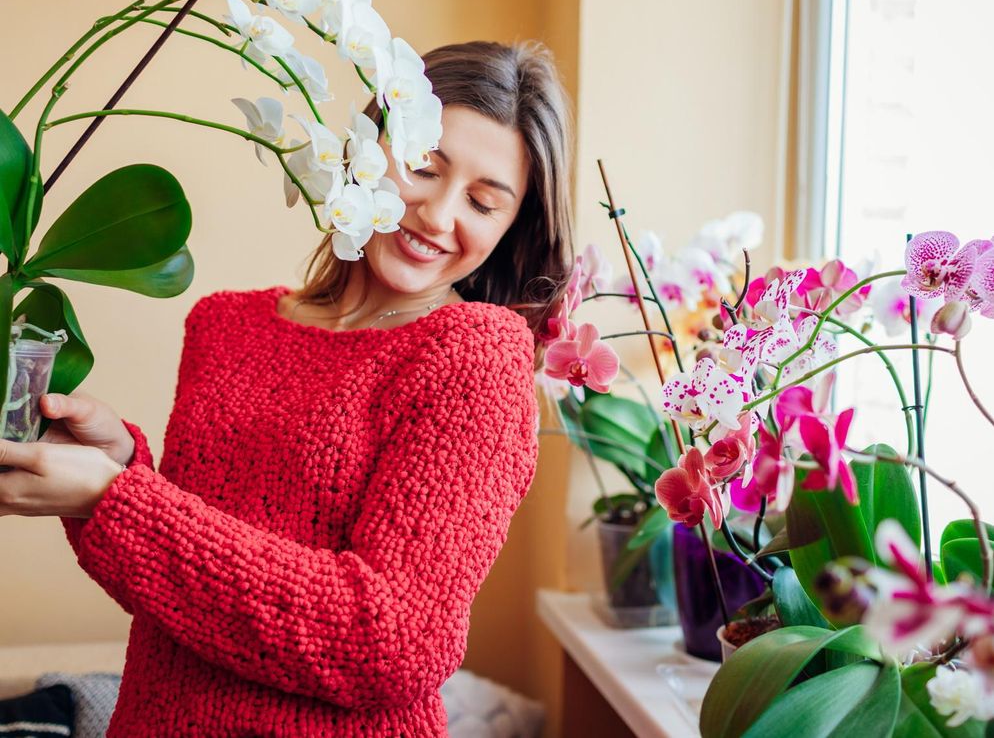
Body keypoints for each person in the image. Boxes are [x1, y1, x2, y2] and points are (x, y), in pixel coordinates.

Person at [0, 39, 575, 737]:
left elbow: (388, 644)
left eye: (484, 204)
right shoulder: (226, 324)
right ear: (371, 142)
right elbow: (181, 596)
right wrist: (119, 467)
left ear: (512, 231)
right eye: (424, 167)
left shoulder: (474, 356)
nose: (437, 215)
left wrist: (113, 497)